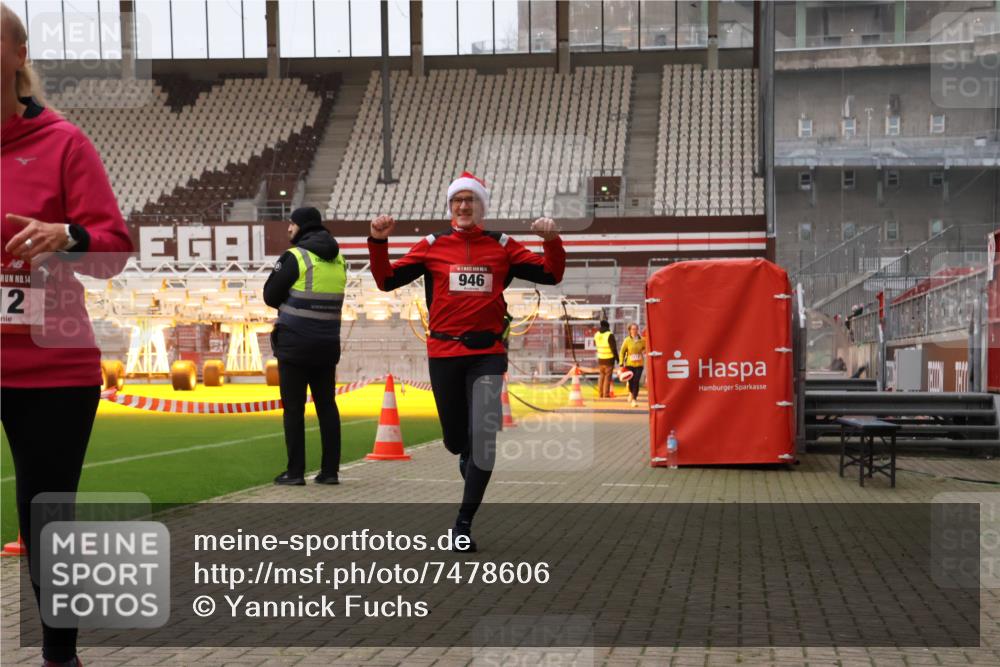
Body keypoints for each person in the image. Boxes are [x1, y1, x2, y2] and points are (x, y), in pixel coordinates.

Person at [1, 5, 133, 665]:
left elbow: (113, 249)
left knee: (45, 513)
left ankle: (60, 653)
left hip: (51, 368)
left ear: (18, 53)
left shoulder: (64, 143)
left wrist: (67, 236)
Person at [368, 171, 564, 551]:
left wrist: (551, 241)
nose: (463, 206)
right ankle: (465, 456)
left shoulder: (502, 245)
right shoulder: (432, 244)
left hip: (487, 355)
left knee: (485, 442)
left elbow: (551, 273)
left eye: (470, 200)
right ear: (450, 207)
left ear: (482, 206)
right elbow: (386, 280)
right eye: (457, 200)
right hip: (444, 353)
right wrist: (378, 241)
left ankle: (462, 523)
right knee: (457, 441)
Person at [263, 207, 345, 486]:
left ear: (301, 227)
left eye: (292, 224)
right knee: (327, 407)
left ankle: (295, 472)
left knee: (294, 410)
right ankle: (330, 472)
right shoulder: (338, 259)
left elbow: (270, 295)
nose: (288, 229)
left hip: (295, 345)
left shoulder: (296, 256)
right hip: (327, 345)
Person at [618, 323, 646, 407]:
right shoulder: (627, 340)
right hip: (629, 364)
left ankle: (634, 399)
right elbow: (622, 352)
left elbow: (647, 347)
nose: (634, 331)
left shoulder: (643, 340)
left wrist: (644, 350)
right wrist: (621, 363)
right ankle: (630, 392)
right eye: (632, 329)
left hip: (639, 364)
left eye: (636, 329)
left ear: (638, 330)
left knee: (636, 381)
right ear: (629, 331)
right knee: (631, 381)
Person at [594, 319, 618, 398]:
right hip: (609, 359)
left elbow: (595, 344)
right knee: (607, 377)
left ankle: (600, 394)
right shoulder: (609, 334)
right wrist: (617, 359)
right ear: (608, 326)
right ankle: (606, 394)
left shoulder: (597, 334)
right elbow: (613, 348)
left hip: (600, 358)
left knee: (601, 376)